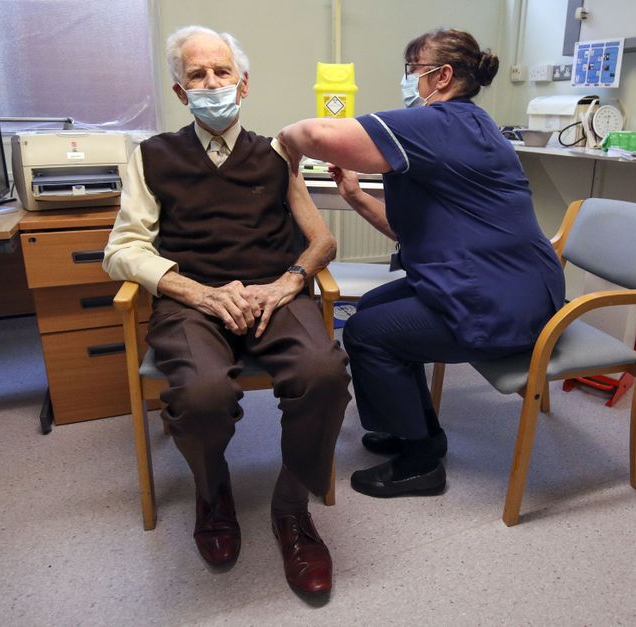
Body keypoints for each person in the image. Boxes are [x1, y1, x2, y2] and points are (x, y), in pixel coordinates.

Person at [103, 25, 350, 597]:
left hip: (270, 293)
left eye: (221, 72)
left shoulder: (276, 155)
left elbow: (321, 242)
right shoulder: (152, 157)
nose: (211, 83)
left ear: (243, 85)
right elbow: (123, 248)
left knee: (325, 372)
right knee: (203, 393)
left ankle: (291, 508)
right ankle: (213, 492)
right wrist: (195, 291)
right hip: (192, 300)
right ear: (181, 91)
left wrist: (287, 284)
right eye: (197, 75)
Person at [278, 28, 565, 499]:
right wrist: (352, 194)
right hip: (500, 280)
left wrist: (283, 142)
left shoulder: (443, 123)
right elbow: (405, 229)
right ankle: (415, 429)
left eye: (414, 70)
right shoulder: (469, 123)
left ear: (443, 75)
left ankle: (421, 462)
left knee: (370, 334)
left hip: (505, 300)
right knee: (371, 312)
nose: (409, 80)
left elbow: (315, 134)